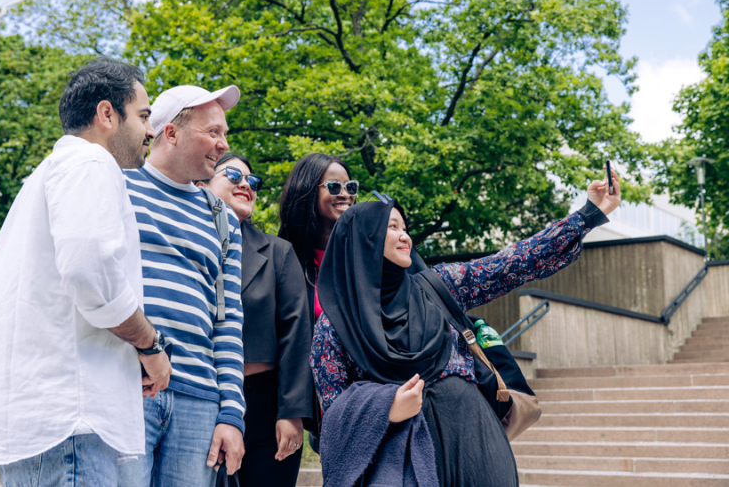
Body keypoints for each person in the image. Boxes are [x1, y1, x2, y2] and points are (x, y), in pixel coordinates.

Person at [311, 172, 621, 486]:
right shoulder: (334, 325)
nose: (405, 236)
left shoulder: (438, 285)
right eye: (392, 227)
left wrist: (587, 215)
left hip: (476, 440)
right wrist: (385, 408)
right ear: (364, 238)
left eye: (405, 228)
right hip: (400, 457)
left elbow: (512, 263)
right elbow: (334, 417)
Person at [0, 58, 172, 486]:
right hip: (69, 425)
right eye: (145, 116)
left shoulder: (54, 173)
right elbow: (89, 271)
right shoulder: (91, 164)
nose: (151, 131)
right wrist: (151, 346)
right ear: (107, 114)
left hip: (51, 426)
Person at [118, 85, 245, 487]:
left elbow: (228, 322)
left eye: (224, 134)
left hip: (200, 402)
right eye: (213, 132)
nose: (223, 145)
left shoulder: (223, 218)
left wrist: (231, 414)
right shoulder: (115, 185)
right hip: (126, 387)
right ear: (170, 132)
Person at [198, 153, 313, 487]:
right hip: (199, 392)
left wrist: (291, 411)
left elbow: (297, 333)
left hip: (264, 405)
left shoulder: (278, 253)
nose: (246, 184)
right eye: (233, 175)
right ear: (201, 182)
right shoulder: (183, 245)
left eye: (252, 180)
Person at [277, 153, 358, 448]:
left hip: (381, 394)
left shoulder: (366, 255)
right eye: (335, 187)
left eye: (350, 186)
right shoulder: (287, 260)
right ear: (309, 191)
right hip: (325, 409)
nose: (346, 194)